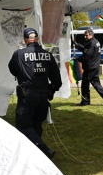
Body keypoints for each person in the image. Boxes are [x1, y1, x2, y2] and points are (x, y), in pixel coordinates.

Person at [8, 28, 62, 159]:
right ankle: (36, 154)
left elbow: (12, 70)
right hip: (43, 95)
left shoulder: (19, 54)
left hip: (27, 95)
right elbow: (57, 80)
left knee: (23, 125)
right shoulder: (48, 55)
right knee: (37, 124)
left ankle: (44, 151)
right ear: (37, 39)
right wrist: (51, 90)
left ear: (25, 40)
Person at [73, 29, 103, 106]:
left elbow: (87, 55)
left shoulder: (91, 43)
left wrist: (78, 59)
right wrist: (78, 46)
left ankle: (86, 101)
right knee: (96, 83)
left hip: (90, 67)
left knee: (85, 85)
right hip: (95, 66)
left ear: (91, 35)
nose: (85, 37)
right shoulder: (95, 41)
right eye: (84, 35)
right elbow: (85, 49)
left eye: (86, 35)